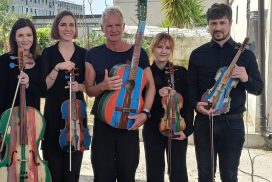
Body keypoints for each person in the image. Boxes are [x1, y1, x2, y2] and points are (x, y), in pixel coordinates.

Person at [187, 3, 263, 182]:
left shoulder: (245, 55)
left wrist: (245, 78)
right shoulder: (198, 54)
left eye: (222, 23)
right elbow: (191, 87)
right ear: (208, 24)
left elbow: (258, 88)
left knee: (229, 175)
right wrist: (196, 105)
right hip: (204, 123)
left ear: (230, 22)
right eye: (213, 23)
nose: (218, 28)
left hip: (232, 123)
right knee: (205, 175)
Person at [85, 6, 155, 182]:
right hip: (103, 125)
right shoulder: (93, 55)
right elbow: (89, 90)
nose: (114, 29)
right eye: (109, 26)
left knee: (127, 176)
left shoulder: (138, 54)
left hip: (129, 124)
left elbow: (151, 87)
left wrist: (145, 114)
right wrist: (103, 85)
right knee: (102, 176)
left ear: (123, 26)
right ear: (102, 28)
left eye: (118, 25)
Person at [41, 11, 87, 182]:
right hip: (53, 114)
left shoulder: (83, 53)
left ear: (75, 28)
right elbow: (44, 88)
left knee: (72, 171)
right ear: (57, 27)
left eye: (71, 25)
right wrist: (58, 67)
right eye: (63, 24)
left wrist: (79, 86)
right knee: (53, 169)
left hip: (75, 117)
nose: (68, 28)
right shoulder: (48, 53)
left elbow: (90, 87)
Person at [143, 32, 193, 182]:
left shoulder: (181, 73)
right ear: (153, 49)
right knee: (154, 172)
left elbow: (188, 104)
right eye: (160, 47)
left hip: (177, 127)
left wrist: (188, 129)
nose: (163, 51)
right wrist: (157, 95)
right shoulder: (146, 73)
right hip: (152, 129)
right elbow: (140, 103)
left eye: (167, 48)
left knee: (178, 173)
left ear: (171, 51)